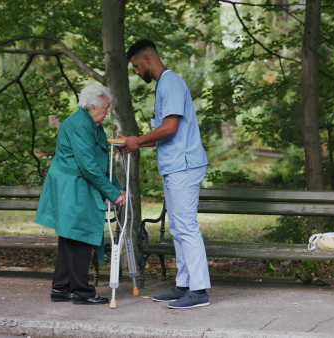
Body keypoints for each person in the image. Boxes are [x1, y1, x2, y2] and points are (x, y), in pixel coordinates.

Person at [121, 38, 211, 309]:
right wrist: (136, 142)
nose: (136, 72)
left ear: (147, 60)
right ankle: (184, 285)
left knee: (186, 227)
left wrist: (138, 140)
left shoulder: (170, 83)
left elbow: (170, 127)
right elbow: (164, 134)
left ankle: (199, 292)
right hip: (175, 166)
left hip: (184, 165)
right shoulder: (164, 86)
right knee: (178, 228)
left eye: (136, 66)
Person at [35, 83, 126, 305]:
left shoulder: (93, 125)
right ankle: (82, 292)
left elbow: (101, 161)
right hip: (71, 185)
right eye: (105, 108)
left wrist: (116, 187)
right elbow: (88, 165)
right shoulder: (79, 125)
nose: (107, 112)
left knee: (70, 236)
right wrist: (112, 193)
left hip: (76, 182)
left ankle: (61, 288)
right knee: (79, 234)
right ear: (92, 106)